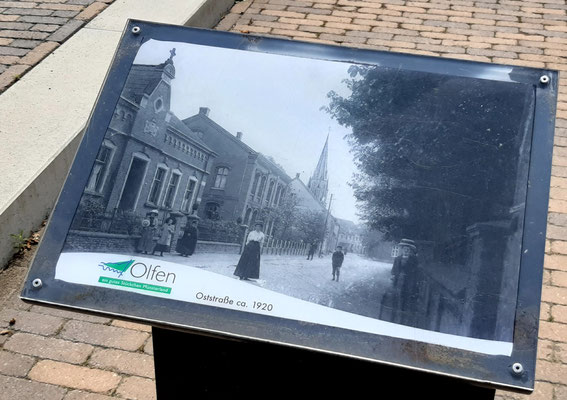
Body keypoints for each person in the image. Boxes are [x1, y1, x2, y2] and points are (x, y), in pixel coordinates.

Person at [390, 239, 420, 324]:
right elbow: (393, 270)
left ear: (410, 251)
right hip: (398, 281)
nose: (406, 251)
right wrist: (393, 276)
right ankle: (393, 318)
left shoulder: (414, 260)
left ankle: (403, 320)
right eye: (404, 249)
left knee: (405, 300)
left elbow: (416, 273)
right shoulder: (397, 259)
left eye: (408, 249)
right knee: (395, 299)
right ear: (402, 249)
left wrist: (414, 283)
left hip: (408, 282)